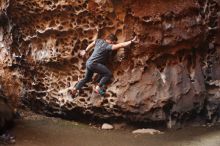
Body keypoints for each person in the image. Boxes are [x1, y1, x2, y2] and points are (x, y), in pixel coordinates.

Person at [70, 34, 138, 96]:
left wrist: (85, 51)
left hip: (88, 63)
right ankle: (98, 87)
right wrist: (131, 41)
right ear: (112, 41)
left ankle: (75, 89)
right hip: (94, 64)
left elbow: (92, 44)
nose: (114, 43)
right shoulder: (107, 46)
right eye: (114, 42)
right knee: (108, 74)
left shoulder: (98, 41)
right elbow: (121, 45)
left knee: (87, 78)